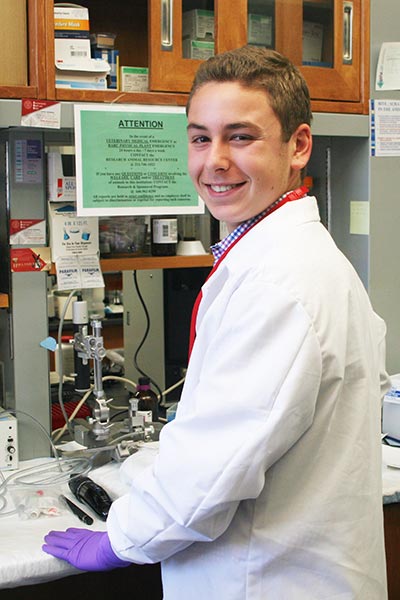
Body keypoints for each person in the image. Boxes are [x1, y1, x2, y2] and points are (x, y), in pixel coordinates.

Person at [43, 46, 390, 599]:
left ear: (298, 145)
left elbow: (206, 480)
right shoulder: (294, 257)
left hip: (267, 579)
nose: (214, 161)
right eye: (201, 138)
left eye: (241, 137)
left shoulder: (279, 283)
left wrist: (118, 539)